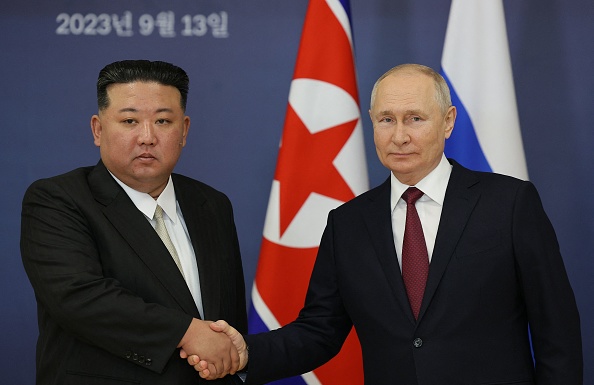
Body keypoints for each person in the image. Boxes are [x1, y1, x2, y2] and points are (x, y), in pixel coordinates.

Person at [187, 64, 583, 384]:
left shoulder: (509, 203)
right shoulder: (348, 223)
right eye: (386, 120)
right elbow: (319, 331)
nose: (399, 136)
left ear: (447, 122)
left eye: (414, 119)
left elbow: (556, 329)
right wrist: (246, 353)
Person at [20, 60, 247, 385]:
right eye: (129, 120)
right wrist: (186, 332)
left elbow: (226, 320)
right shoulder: (58, 199)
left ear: (184, 130)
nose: (147, 137)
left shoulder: (212, 204)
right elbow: (79, 298)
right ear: (98, 130)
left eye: (163, 121)